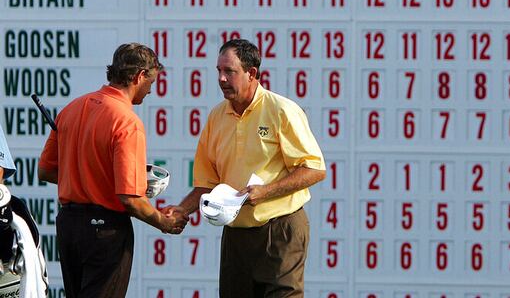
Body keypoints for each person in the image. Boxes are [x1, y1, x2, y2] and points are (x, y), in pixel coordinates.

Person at [170, 39, 326, 297]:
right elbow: (208, 183)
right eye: (219, 70)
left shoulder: (281, 110)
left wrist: (266, 192)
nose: (221, 79)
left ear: (251, 73)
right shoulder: (216, 116)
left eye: (229, 71)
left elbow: (314, 169)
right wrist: (181, 210)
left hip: (280, 228)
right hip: (235, 234)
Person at [38, 43, 187, 298]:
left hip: (69, 225)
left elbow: (46, 171)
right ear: (139, 76)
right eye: (151, 82)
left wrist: (89, 177)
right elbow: (130, 198)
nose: (151, 90)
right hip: (105, 230)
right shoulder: (127, 121)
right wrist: (163, 222)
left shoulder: (71, 108)